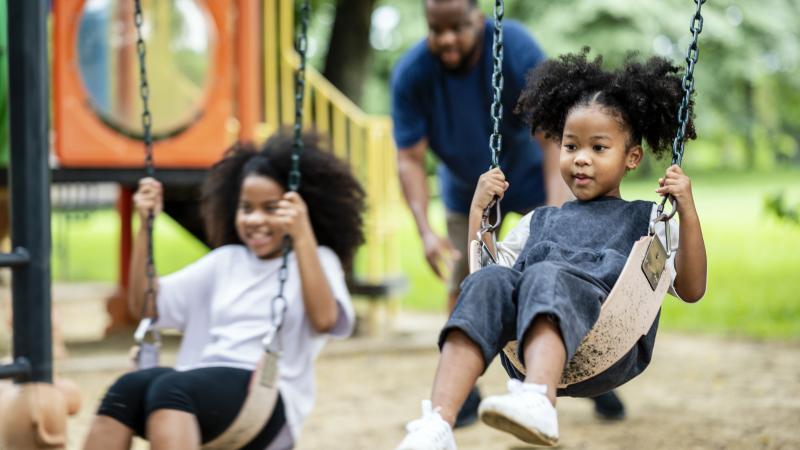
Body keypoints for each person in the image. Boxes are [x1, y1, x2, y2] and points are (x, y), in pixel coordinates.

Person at [395, 50, 708, 449]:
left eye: (598, 148)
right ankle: (437, 424)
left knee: (546, 273)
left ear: (632, 158)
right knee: (491, 281)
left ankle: (539, 400)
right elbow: (485, 278)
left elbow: (693, 288)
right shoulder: (538, 221)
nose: (581, 158)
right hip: (525, 347)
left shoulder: (647, 222)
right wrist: (479, 211)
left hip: (607, 341)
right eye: (570, 145)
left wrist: (687, 211)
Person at [390, 0, 624, 426]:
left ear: (478, 16)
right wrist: (424, 230)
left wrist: (558, 210)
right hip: (467, 190)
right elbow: (408, 158)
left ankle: (596, 379)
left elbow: (553, 134)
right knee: (467, 279)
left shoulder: (513, 46)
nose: (445, 40)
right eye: (435, 29)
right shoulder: (412, 73)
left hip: (534, 180)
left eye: (456, 28)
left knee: (562, 274)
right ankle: (460, 397)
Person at [83, 133, 366, 450]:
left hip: (268, 396)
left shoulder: (315, 258)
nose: (255, 220)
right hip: (202, 388)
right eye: (246, 208)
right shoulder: (225, 262)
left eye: (271, 208)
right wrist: (145, 226)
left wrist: (302, 236)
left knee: (171, 391)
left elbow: (325, 320)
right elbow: (146, 306)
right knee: (125, 390)